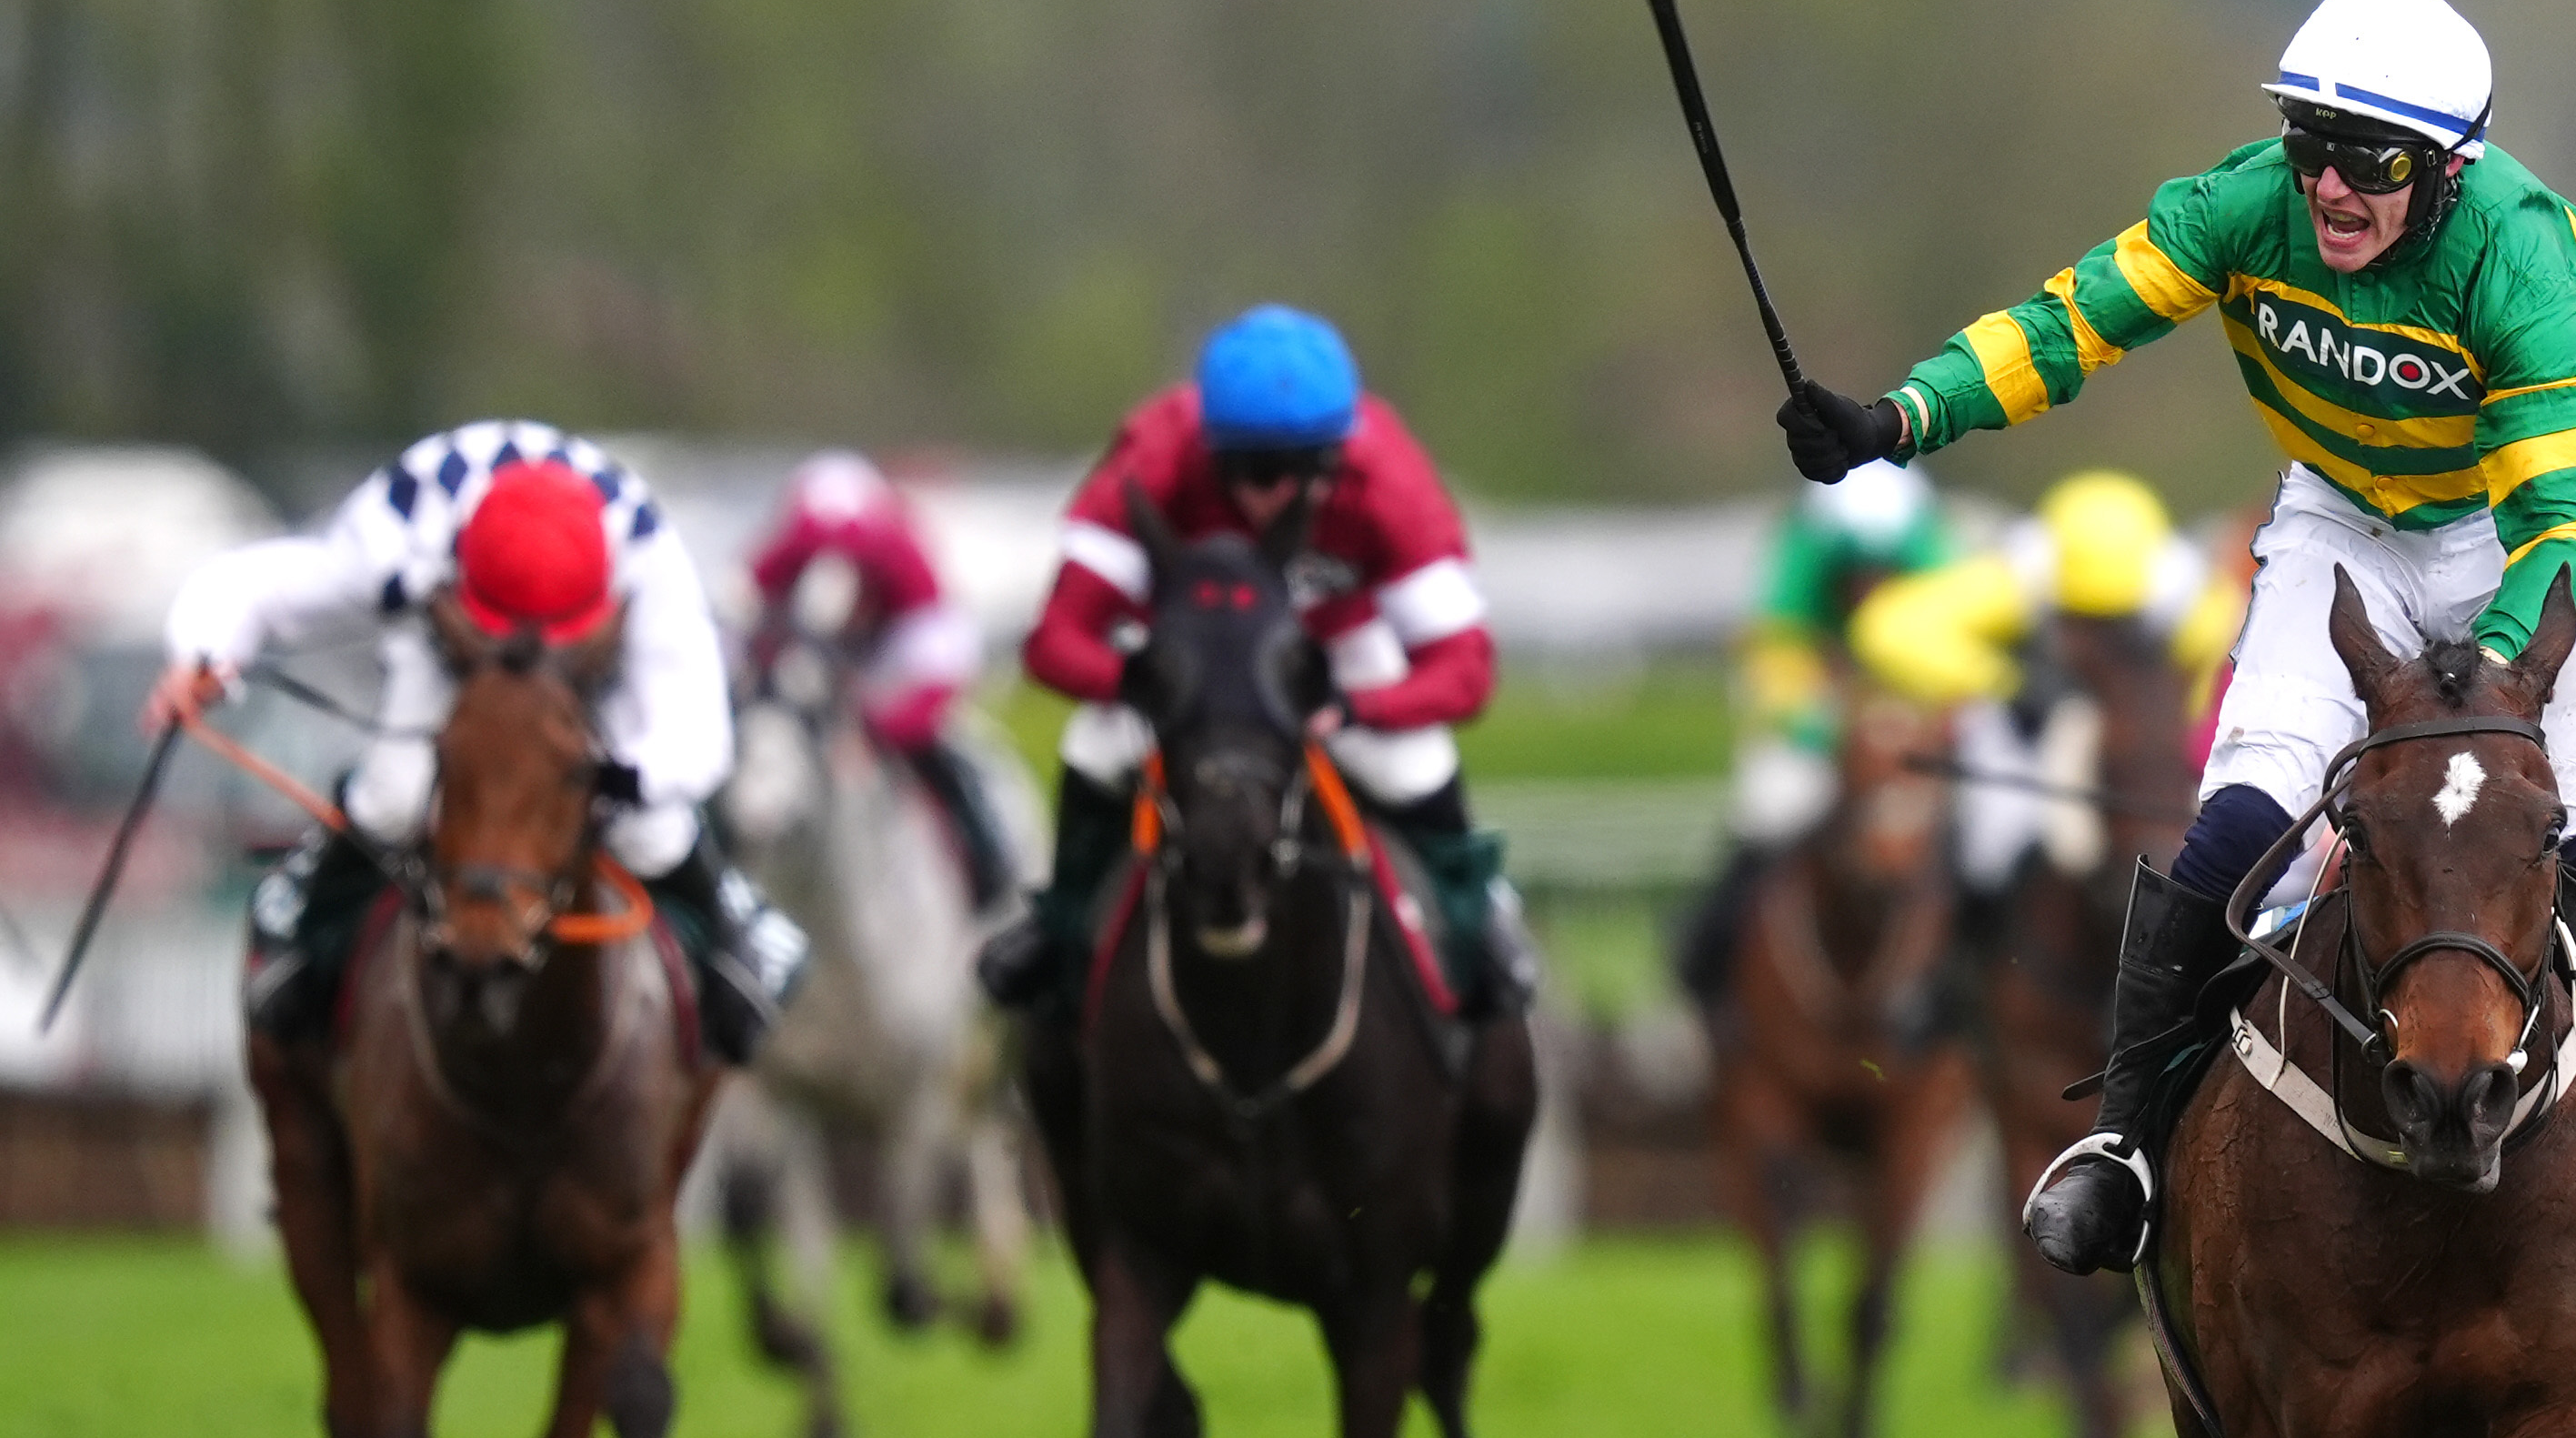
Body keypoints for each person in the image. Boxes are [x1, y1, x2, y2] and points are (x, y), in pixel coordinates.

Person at [1773, 0, 2576, 1309]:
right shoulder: (2243, 205)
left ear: (2449, 169)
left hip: (2516, 546)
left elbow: (2565, 523)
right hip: (2336, 523)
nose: (2332, 189)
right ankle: (2123, 1147)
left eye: (2374, 161)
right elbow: (2070, 324)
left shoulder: (2514, 256)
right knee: (2230, 826)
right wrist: (1899, 420)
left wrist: (2498, 680)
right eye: (2311, 143)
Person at [150, 418, 807, 1067]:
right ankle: (295, 917)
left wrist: (622, 780)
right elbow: (262, 584)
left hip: (583, 674)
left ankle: (735, 927)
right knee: (396, 796)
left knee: (650, 830)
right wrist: (202, 653)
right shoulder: (402, 535)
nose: (532, 646)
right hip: (455, 651)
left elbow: (698, 735)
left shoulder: (647, 559)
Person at [977, 303, 1533, 1019]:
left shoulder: (1393, 486)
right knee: (1092, 749)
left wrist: (1363, 707)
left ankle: (1475, 923)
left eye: (1312, 470)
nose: (1284, 494)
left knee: (1417, 762)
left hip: (1329, 656)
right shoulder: (1150, 462)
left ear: (1345, 450)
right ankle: (1059, 929)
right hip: (1186, 668)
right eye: (1258, 469)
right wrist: (1135, 681)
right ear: (1211, 452)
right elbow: (1054, 640)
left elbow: (1466, 668)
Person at [1846, 466, 2221, 907]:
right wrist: (2008, 683)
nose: (2092, 635)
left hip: (2145, 741)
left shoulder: (2190, 604)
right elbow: (1886, 630)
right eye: (2077, 615)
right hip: (2033, 723)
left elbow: (2222, 674)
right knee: (1990, 843)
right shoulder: (2022, 576)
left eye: (2112, 619)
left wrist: (2186, 724)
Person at [1669, 455, 1952, 1014]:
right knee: (1766, 815)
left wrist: (1924, 726)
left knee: (1983, 839)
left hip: (1912, 743)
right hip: (1819, 742)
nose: (1870, 589)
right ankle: (1708, 972)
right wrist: (1838, 731)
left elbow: (1961, 671)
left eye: (1885, 573)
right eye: (1857, 575)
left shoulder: (1938, 555)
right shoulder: (1798, 553)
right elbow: (1774, 662)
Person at [744, 449, 1017, 910]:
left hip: (893, 657)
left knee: (938, 752)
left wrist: (878, 733)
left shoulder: (908, 568)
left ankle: (988, 866)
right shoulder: (787, 554)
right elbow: (753, 636)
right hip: (831, 655)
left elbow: (941, 673)